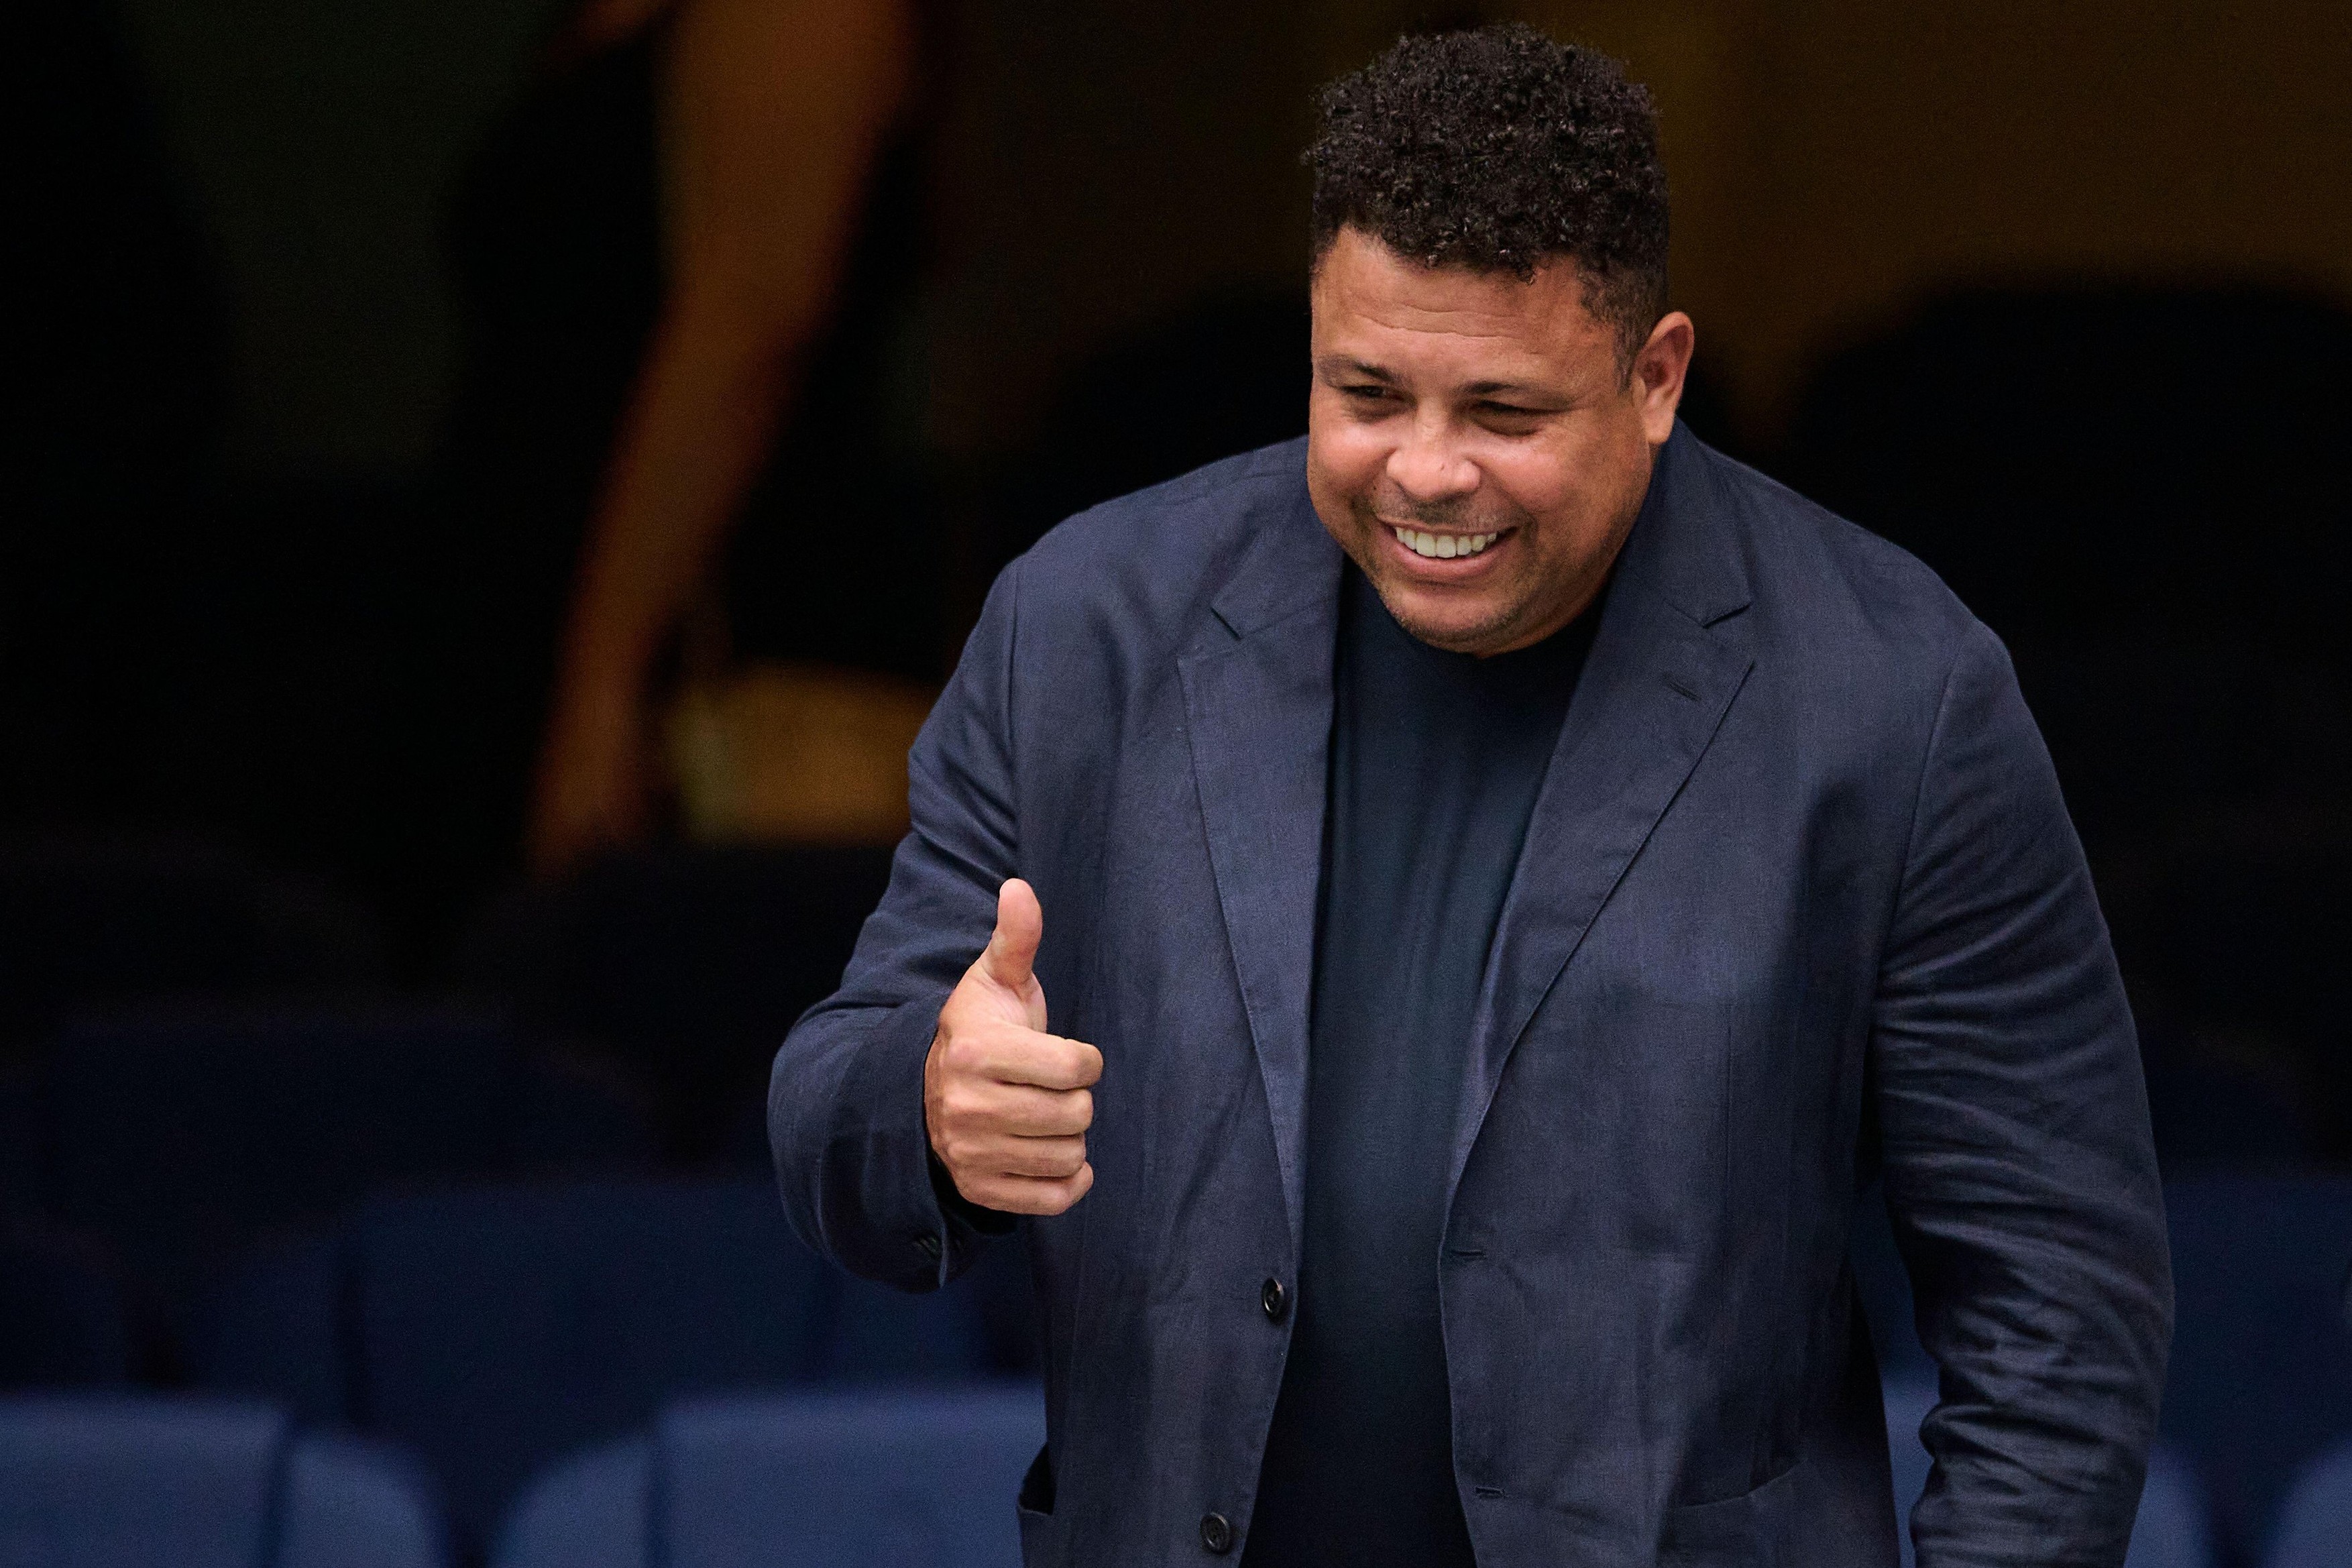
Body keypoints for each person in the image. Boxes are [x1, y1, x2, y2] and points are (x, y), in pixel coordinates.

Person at [771, 23, 2171, 1567]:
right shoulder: (1086, 627)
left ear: (1654, 376)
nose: (1424, 472)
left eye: (1503, 413)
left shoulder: (1894, 695)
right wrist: (926, 1102)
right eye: (1364, 390)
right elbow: (831, 1111)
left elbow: (2060, 1296)